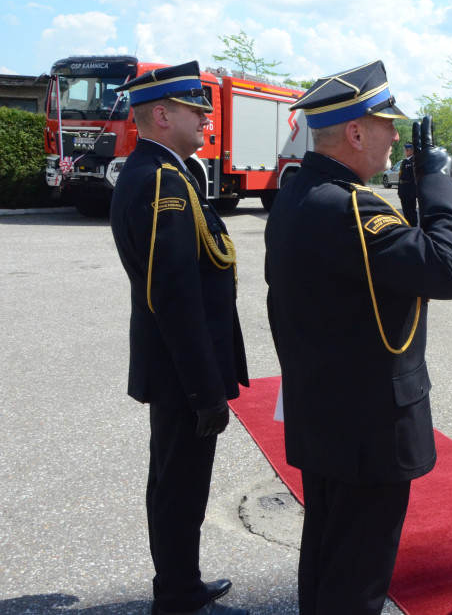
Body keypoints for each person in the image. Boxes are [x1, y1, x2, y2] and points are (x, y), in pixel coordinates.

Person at [264, 61, 452, 615]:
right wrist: (436, 181)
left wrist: (410, 189)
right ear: (356, 132)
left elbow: (386, 269)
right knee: (358, 577)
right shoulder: (350, 208)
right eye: (387, 125)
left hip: (325, 410)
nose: (396, 136)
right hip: (367, 424)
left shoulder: (301, 192)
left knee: (327, 558)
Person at [109, 61, 249, 615]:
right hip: (180, 371)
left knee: (174, 481)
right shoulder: (163, 179)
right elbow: (174, 295)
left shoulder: (158, 170)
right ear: (162, 115)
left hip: (172, 366)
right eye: (196, 110)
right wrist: (204, 389)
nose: (206, 119)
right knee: (179, 487)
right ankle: (177, 594)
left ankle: (178, 581)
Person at [397, 142, 417, 226]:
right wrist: (399, 190)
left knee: (411, 210)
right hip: (403, 190)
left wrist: (414, 192)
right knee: (405, 210)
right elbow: (401, 177)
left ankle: (413, 226)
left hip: (410, 190)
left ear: (412, 150)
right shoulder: (404, 162)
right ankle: (407, 225)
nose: (406, 151)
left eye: (408, 149)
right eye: (405, 150)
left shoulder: (414, 161)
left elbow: (414, 178)